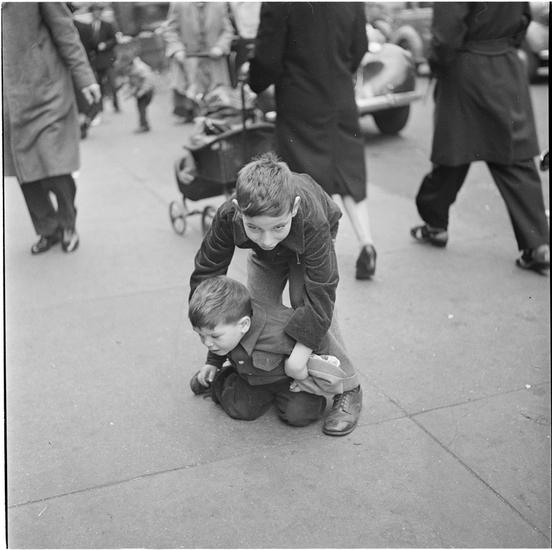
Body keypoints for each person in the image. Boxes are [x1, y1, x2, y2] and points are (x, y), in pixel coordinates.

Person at [189, 153, 363, 436]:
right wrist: (213, 353)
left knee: (305, 302)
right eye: (254, 228)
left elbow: (321, 296)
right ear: (238, 210)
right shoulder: (228, 216)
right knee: (255, 310)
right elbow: (207, 274)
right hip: (267, 257)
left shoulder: (311, 219)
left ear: (294, 208)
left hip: (307, 244)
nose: (267, 240)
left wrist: (299, 358)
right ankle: (261, 374)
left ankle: (349, 388)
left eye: (277, 227)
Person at [410, 2, 550, 273]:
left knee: (453, 153)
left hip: (465, 71)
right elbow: (524, 18)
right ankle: (538, 244)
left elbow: (446, 35)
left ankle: (435, 223)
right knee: (516, 158)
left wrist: (437, 63)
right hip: (505, 66)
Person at [248, 3, 378, 280]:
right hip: (341, 95)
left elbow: (267, 59)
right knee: (348, 169)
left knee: (310, 178)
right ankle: (366, 242)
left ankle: (320, 256)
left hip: (300, 99)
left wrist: (254, 81)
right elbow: (360, 46)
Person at [189, 276, 358, 428]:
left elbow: (318, 339)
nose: (207, 343)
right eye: (201, 335)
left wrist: (311, 379)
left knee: (300, 415)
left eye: (214, 336)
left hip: (290, 383)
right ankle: (218, 379)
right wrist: (212, 363)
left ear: (243, 325)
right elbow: (219, 347)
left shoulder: (281, 328)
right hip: (250, 380)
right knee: (239, 409)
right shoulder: (225, 332)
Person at [2, 2, 100, 254]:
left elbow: (65, 30)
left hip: (46, 90)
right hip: (8, 100)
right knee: (25, 170)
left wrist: (85, 78)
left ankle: (68, 223)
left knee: (56, 163)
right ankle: (48, 229)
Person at [163, 2, 234, 122]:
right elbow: (170, 30)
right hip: (189, 59)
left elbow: (227, 31)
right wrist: (177, 49)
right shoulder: (179, 5)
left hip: (214, 60)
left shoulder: (219, 5)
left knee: (217, 95)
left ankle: (214, 116)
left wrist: (220, 47)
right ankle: (193, 114)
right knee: (191, 93)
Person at [89, 3, 120, 114]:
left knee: (112, 83)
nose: (96, 14)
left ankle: (116, 105)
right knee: (99, 84)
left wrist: (105, 45)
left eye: (97, 11)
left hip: (108, 59)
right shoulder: (90, 27)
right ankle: (100, 107)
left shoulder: (107, 25)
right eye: (94, 12)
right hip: (97, 61)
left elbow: (114, 40)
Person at [119, 53, 155, 133]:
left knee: (141, 108)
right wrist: (128, 92)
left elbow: (148, 80)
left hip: (146, 91)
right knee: (140, 108)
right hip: (139, 90)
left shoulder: (140, 68)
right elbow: (130, 82)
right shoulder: (130, 69)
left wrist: (142, 91)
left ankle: (144, 125)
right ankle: (144, 125)